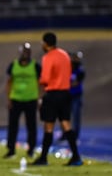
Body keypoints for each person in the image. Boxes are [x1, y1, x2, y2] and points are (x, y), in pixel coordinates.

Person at [32, 32, 83, 166]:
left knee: (48, 127)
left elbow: (46, 79)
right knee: (66, 124)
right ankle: (76, 156)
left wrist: (40, 83)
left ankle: (43, 158)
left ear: (45, 43)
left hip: (53, 94)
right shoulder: (64, 54)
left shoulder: (48, 57)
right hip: (66, 94)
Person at [3, 42, 41, 159]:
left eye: (27, 51)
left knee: (31, 126)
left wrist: (40, 98)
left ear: (30, 53)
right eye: (24, 51)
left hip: (31, 99)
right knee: (13, 126)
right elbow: (9, 83)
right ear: (20, 52)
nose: (25, 53)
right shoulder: (13, 65)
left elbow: (41, 83)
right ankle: (11, 150)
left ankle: (31, 150)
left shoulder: (36, 66)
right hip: (16, 99)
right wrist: (9, 98)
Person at [58, 51, 86, 142]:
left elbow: (75, 82)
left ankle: (75, 136)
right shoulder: (67, 68)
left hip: (76, 96)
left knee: (76, 116)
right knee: (65, 117)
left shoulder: (80, 69)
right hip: (67, 95)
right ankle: (64, 135)